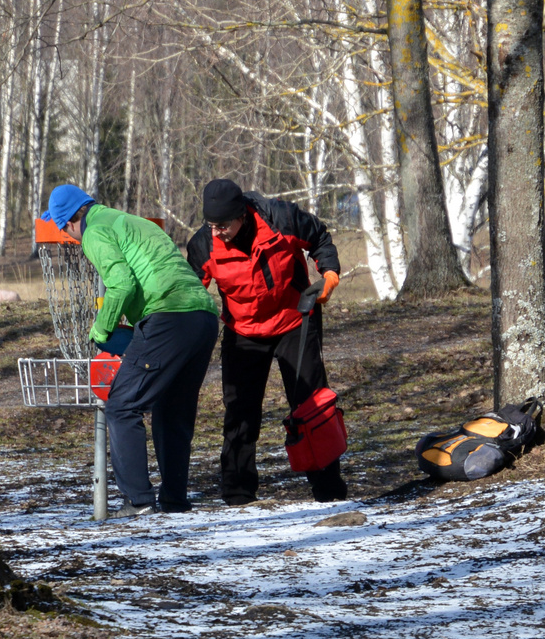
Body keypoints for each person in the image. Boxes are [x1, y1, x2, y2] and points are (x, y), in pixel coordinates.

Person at [41, 184, 219, 516]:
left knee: (122, 405)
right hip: (203, 317)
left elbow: (121, 282)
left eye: (62, 228)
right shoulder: (134, 222)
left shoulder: (95, 232)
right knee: (172, 411)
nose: (68, 236)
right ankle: (174, 501)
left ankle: (137, 501)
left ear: (69, 222)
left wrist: (102, 328)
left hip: (168, 316)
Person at [186, 179, 347, 504]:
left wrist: (329, 273)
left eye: (223, 225)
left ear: (241, 215)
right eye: (211, 225)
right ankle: (238, 495)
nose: (217, 232)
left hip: (294, 320)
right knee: (240, 413)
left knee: (312, 406)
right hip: (243, 331)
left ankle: (329, 492)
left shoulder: (281, 218)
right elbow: (188, 291)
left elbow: (319, 237)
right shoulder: (205, 245)